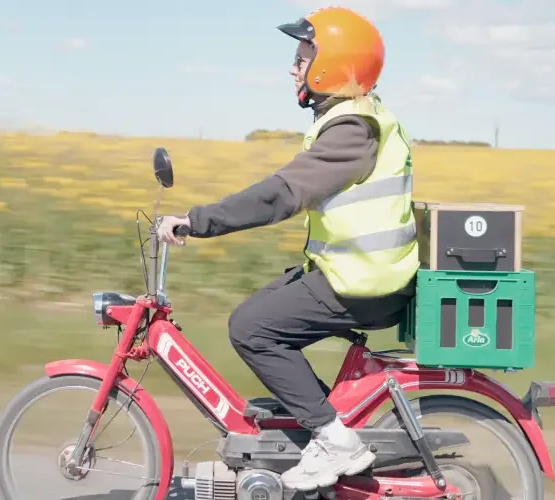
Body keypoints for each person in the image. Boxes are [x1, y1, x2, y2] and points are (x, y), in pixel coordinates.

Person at [155, 6, 420, 492]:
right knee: (265, 309)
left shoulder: (352, 130)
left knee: (252, 328)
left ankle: (334, 440)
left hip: (364, 282)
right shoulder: (356, 119)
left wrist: (198, 220)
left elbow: (281, 194)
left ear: (331, 65)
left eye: (302, 56)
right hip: (355, 273)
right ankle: (324, 430)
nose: (292, 67)